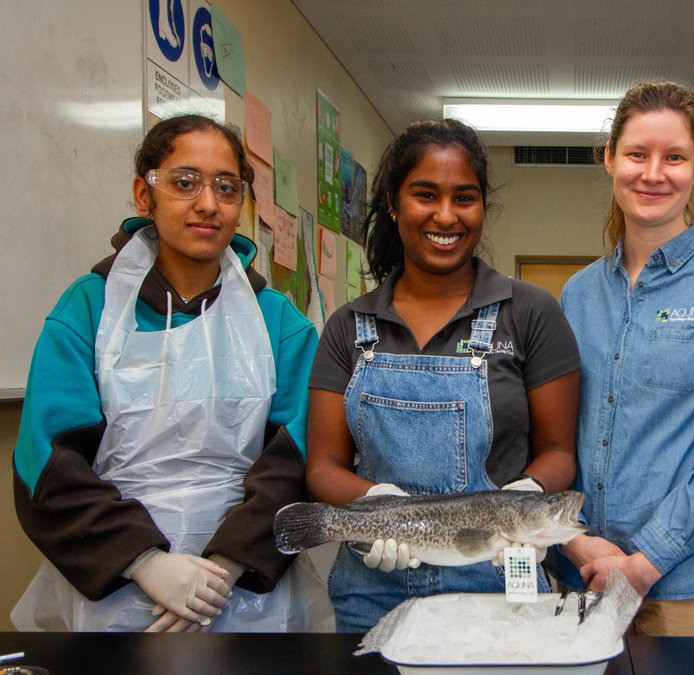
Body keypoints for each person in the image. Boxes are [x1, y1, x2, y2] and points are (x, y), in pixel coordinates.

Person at [12, 114, 331, 632]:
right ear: (145, 195)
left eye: (226, 187)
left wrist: (224, 568)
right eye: (185, 183)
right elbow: (45, 461)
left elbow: (299, 457)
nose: (207, 204)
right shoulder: (88, 310)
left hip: (248, 589)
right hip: (115, 585)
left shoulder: (278, 322)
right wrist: (144, 562)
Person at [306, 119, 581, 633]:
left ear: (483, 207)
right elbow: (323, 467)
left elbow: (559, 451)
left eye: (465, 198)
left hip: (499, 588)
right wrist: (377, 507)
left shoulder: (531, 313)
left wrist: (525, 500)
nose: (447, 215)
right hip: (372, 588)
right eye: (426, 195)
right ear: (393, 204)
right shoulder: (349, 327)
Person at [550, 81, 694, 636]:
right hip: (586, 578)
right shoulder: (578, 294)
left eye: (674, 157)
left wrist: (647, 560)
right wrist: (574, 539)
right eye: (637, 154)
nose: (653, 173)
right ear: (609, 159)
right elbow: (557, 436)